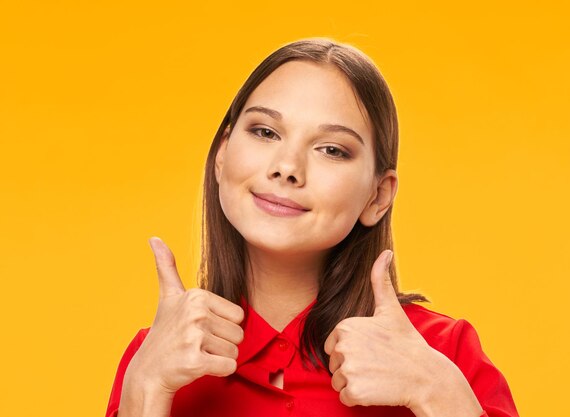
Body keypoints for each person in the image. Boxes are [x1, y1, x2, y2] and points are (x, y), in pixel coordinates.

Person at [105, 38, 519, 417]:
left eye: (331, 150)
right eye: (265, 132)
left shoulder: (444, 352)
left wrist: (438, 392)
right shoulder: (156, 356)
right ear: (221, 156)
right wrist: (146, 386)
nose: (287, 168)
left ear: (378, 196)